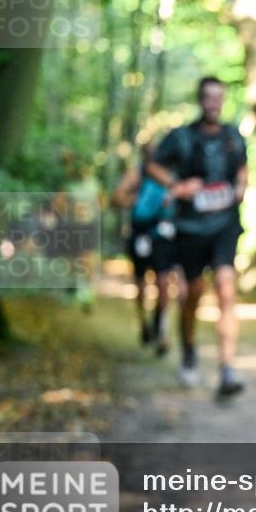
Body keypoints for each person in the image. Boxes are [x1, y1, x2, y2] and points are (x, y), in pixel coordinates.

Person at [147, 77, 248, 396]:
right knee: (192, 296)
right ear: (200, 100)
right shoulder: (182, 137)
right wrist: (177, 187)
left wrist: (242, 187)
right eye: (208, 97)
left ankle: (227, 368)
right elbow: (152, 166)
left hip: (224, 225)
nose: (214, 103)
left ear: (224, 100)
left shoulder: (234, 136)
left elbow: (242, 168)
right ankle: (189, 350)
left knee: (226, 289)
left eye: (219, 97)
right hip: (190, 229)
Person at [112, 147, 175, 356]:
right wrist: (136, 200)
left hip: (163, 234)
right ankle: (143, 322)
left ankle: (161, 327)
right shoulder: (137, 174)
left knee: (164, 281)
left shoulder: (172, 174)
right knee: (141, 283)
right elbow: (116, 198)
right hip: (140, 234)